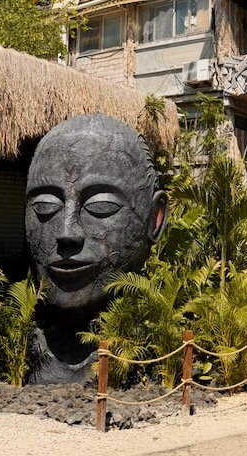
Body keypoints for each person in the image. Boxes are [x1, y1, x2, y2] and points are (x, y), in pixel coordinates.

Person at [25, 113, 168, 382]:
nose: (67, 233)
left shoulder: (156, 354)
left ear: (155, 220)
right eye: (45, 206)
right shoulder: (16, 352)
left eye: (101, 206)